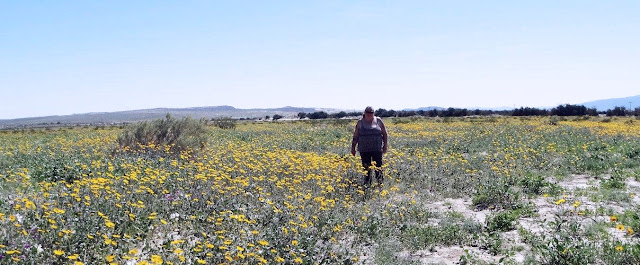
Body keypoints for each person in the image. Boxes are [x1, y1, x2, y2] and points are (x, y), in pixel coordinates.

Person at [351, 106, 388, 186]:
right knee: (366, 168)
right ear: (364, 112)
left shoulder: (378, 120)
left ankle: (380, 185)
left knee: (378, 168)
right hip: (364, 150)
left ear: (373, 113)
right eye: (368, 112)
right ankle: (367, 185)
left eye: (371, 112)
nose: (369, 114)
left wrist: (385, 146)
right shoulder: (360, 122)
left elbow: (384, 134)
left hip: (377, 149)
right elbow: (355, 136)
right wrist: (353, 147)